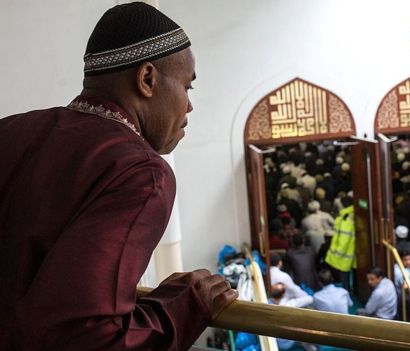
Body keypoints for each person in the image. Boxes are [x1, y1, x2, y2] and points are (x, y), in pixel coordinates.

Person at [0, 4, 239, 350]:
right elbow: (87, 337)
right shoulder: (140, 172)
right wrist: (185, 305)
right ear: (147, 80)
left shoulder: (11, 130)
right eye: (188, 87)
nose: (189, 106)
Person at [325, 196, 356, 291]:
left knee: (345, 278)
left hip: (345, 254)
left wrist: (336, 253)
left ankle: (346, 294)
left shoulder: (345, 219)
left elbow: (344, 239)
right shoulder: (352, 214)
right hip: (353, 252)